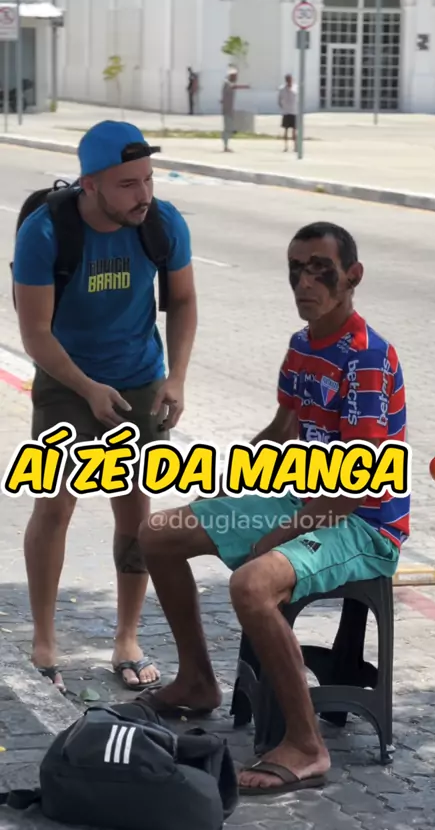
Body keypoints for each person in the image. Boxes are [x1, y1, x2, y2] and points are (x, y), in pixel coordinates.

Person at [136, 220, 409, 795]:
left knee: (252, 584)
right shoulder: (303, 345)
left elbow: (356, 487)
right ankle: (197, 681)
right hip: (303, 494)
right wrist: (230, 481)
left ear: (353, 276)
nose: (304, 282)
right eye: (296, 269)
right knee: (158, 534)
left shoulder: (367, 358)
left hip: (363, 521)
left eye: (320, 270)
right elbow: (285, 428)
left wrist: (277, 535)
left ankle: (306, 745)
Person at [12, 120, 198, 694]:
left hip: (140, 380)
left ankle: (127, 639)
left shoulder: (162, 223)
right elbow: (35, 333)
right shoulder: (46, 232)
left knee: (135, 514)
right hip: (67, 380)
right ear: (90, 185)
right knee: (55, 506)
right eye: (128, 184)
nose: (144, 194)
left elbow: (183, 301)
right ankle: (45, 641)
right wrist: (88, 387)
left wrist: (176, 377)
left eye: (148, 179)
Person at [278, 74, 297, 152]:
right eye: (288, 79)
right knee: (285, 130)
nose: (289, 81)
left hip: (294, 111)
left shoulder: (295, 88)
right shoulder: (282, 89)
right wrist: (283, 107)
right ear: (286, 80)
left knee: (294, 130)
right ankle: (286, 147)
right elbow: (279, 100)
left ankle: (295, 147)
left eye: (290, 79)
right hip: (286, 112)